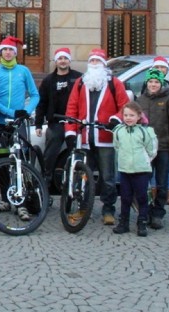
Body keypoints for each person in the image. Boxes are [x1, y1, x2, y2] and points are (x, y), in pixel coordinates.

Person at [64, 48, 128, 225]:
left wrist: (116, 119)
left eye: (97, 62)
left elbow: (125, 107)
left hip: (105, 138)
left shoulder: (115, 84)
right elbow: (72, 109)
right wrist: (70, 131)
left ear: (103, 64)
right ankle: (83, 208)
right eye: (91, 61)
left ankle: (108, 210)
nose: (94, 64)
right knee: (83, 176)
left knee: (108, 177)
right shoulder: (80, 83)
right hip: (84, 138)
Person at [0, 36, 39, 220]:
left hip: (19, 124)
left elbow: (34, 95)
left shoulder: (23, 71)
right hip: (1, 123)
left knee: (20, 162)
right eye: (5, 50)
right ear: (0, 53)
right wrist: (10, 112)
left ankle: (22, 202)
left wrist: (26, 111)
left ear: (15, 53)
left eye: (11, 50)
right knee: (2, 162)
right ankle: (5, 200)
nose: (8, 53)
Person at [136, 68, 169, 230]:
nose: (153, 84)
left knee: (161, 182)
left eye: (156, 82)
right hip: (144, 149)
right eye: (150, 82)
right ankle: (145, 211)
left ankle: (158, 213)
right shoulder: (140, 100)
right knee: (143, 182)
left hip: (163, 147)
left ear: (161, 83)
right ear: (146, 83)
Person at [33, 47, 82, 184]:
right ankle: (46, 180)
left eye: (65, 58)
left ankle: (78, 181)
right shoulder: (48, 80)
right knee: (50, 152)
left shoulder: (78, 77)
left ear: (69, 60)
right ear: (56, 61)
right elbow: (42, 102)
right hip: (55, 122)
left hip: (74, 122)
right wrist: (38, 123)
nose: (63, 61)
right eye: (60, 58)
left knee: (77, 152)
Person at [112, 101, 157, 236]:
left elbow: (152, 149)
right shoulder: (118, 131)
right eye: (125, 115)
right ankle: (123, 222)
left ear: (139, 116)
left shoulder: (145, 131)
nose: (128, 118)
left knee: (142, 197)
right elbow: (117, 146)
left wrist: (144, 161)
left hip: (141, 170)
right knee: (125, 197)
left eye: (131, 115)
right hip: (125, 170)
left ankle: (142, 222)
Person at [145, 56, 169, 205]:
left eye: (163, 68)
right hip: (150, 133)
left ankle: (167, 192)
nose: (160, 70)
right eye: (158, 67)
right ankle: (152, 192)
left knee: (166, 166)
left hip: (165, 132)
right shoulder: (148, 83)